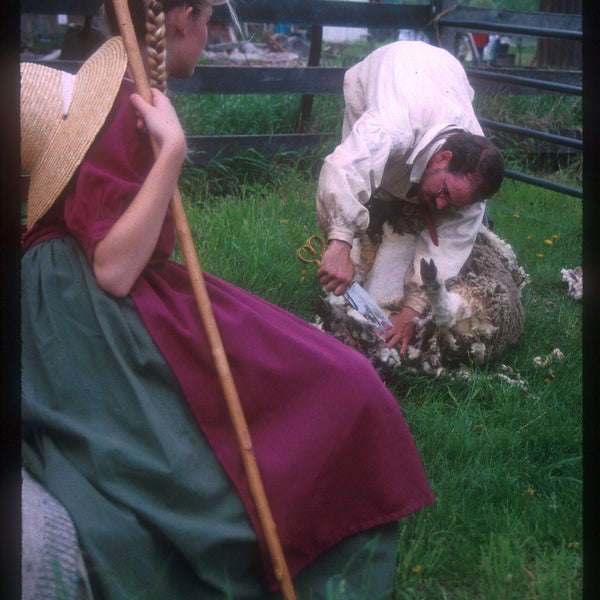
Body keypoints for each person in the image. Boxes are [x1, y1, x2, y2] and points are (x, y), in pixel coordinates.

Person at [20, 2, 434, 599]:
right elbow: (112, 268)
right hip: (84, 301)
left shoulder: (128, 93)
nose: (210, 37)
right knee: (330, 379)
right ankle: (276, 534)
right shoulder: (121, 106)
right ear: (183, 17)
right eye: (210, 22)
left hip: (78, 284)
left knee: (307, 361)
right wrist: (171, 155)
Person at [316, 40, 505, 356]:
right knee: (366, 178)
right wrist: (339, 241)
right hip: (386, 77)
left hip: (448, 78)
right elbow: (345, 168)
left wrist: (411, 310)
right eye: (444, 193)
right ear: (443, 157)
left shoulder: (469, 188)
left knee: (460, 228)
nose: (444, 204)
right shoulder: (392, 125)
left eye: (455, 202)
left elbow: (450, 245)